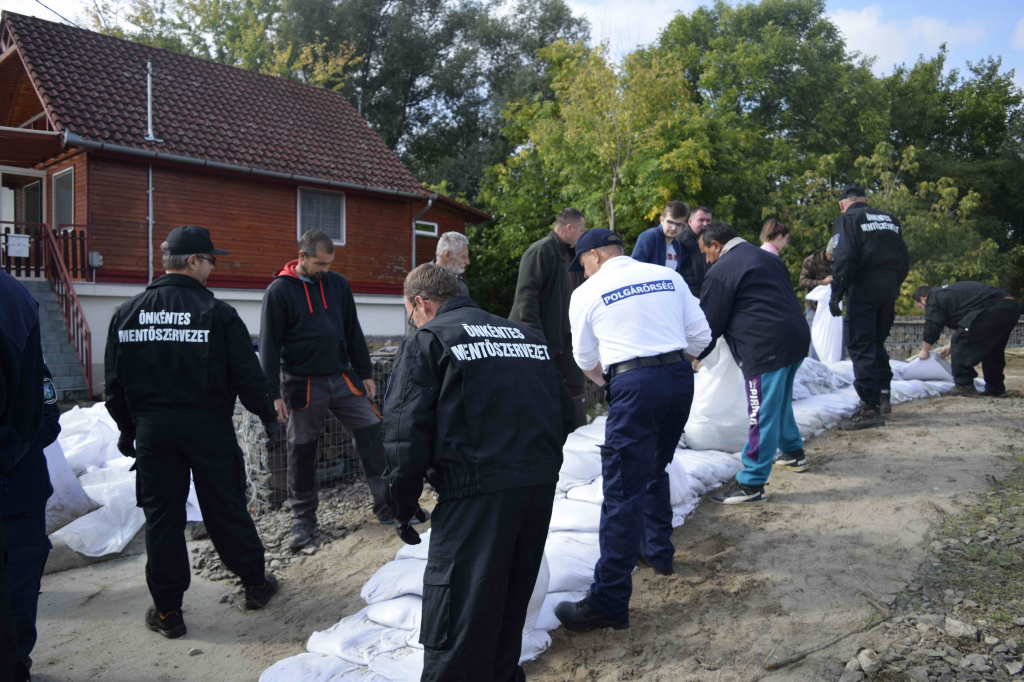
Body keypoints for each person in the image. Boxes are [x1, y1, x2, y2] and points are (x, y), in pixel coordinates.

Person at [382, 263, 574, 682]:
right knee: (509, 595)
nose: (413, 321)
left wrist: (401, 502)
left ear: (421, 304)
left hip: (475, 489)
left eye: (411, 313)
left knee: (459, 611)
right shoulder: (526, 337)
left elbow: (403, 432)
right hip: (536, 485)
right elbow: (566, 413)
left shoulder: (429, 339)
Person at [105, 225, 281, 638]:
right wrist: (269, 419)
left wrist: (129, 430)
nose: (212, 269)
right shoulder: (217, 313)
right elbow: (247, 377)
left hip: (154, 433)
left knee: (162, 521)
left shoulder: (126, 312)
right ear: (191, 262)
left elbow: (113, 386)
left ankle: (168, 613)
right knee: (225, 508)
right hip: (207, 430)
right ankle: (255, 585)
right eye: (209, 261)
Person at [554, 229, 712, 633]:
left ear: (594, 257)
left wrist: (612, 383)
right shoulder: (667, 276)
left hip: (633, 383)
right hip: (679, 379)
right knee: (654, 466)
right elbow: (702, 336)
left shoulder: (587, 293)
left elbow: (584, 357)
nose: (583, 272)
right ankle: (657, 552)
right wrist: (672, 364)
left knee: (622, 489)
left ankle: (608, 600)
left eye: (582, 265)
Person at [260, 229, 427, 551]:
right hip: (302, 383)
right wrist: (273, 394)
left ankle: (389, 507)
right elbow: (268, 348)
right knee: (301, 451)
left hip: (342, 377)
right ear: (303, 256)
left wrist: (364, 373)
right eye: (321, 263)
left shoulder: (337, 284)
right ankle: (303, 521)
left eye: (330, 263)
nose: (326, 269)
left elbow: (353, 330)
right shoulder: (278, 292)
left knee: (376, 434)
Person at [696, 222, 811, 505]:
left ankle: (752, 484)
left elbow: (708, 323)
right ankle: (794, 453)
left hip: (764, 347)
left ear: (716, 245)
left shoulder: (722, 270)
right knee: (779, 401)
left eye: (706, 253)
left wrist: (694, 355)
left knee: (760, 412)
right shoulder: (767, 257)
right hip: (794, 340)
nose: (707, 260)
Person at [828, 183, 909, 427]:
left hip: (862, 287)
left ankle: (869, 409)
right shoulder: (889, 220)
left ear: (843, 204)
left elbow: (844, 257)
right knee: (876, 343)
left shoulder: (847, 218)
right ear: (865, 199)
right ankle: (883, 395)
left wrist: (837, 293)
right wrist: (893, 285)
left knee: (861, 345)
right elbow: (905, 258)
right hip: (888, 287)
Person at [1, 269, 46, 682]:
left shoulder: (12, 299)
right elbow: (39, 415)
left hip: (19, 486)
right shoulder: (13, 297)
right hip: (17, 485)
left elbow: (44, 413)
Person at [1, 365, 58, 681]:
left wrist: (10, 447)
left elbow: (49, 422)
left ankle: (17, 662)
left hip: (22, 499)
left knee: (21, 589)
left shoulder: (28, 360)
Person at [509, 207, 588, 429]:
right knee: (537, 386)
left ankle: (577, 434)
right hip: (539, 337)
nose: (583, 235)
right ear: (569, 228)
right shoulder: (541, 251)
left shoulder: (572, 255)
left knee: (575, 382)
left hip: (565, 336)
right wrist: (535, 337)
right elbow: (526, 297)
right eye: (581, 230)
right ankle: (536, 434)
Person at [913, 283, 1021, 398]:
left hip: (993, 307)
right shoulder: (949, 293)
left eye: (921, 307)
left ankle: (964, 386)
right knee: (993, 348)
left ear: (923, 299)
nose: (924, 310)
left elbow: (932, 325)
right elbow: (968, 323)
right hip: (1010, 307)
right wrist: (950, 345)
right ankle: (995, 388)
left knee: (959, 342)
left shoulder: (933, 298)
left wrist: (925, 350)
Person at [800, 240, 835, 360]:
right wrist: (822, 283)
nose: (832, 259)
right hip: (814, 309)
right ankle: (816, 371)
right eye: (831, 256)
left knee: (834, 342)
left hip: (832, 310)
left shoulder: (839, 261)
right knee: (815, 341)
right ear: (827, 252)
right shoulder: (811, 261)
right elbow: (802, 281)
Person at [630, 201, 689, 273]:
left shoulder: (677, 245)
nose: (674, 228)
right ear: (662, 220)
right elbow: (635, 267)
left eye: (679, 225)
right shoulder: (649, 237)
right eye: (670, 222)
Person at [676, 205, 712, 298]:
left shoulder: (709, 241)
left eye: (708, 220)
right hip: (687, 298)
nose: (705, 224)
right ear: (690, 221)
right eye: (701, 220)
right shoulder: (679, 241)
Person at [434, 231, 471, 297]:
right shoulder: (421, 280)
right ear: (447, 255)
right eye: (463, 256)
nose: (468, 262)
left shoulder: (459, 279)